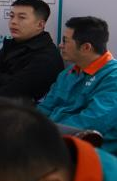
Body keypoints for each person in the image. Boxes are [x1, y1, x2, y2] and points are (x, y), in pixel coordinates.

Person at [38, 16, 117, 152]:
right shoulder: (68, 73)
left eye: (65, 41)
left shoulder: (113, 77)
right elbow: (45, 107)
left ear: (86, 47)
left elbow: (91, 122)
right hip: (52, 139)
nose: (60, 45)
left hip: (88, 150)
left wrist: (41, 133)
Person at [0, 0, 65, 101]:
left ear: (40, 24)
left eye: (22, 17)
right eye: (11, 16)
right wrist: (8, 79)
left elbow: (11, 92)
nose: (13, 22)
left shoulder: (46, 58)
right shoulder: (11, 44)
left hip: (18, 110)